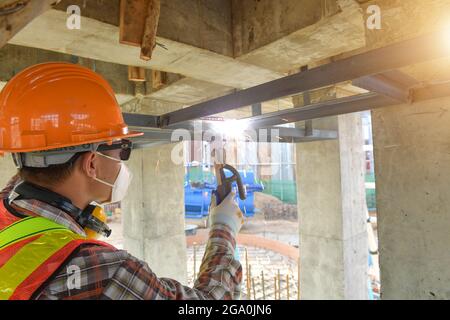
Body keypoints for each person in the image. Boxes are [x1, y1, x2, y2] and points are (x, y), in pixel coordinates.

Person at [0, 62, 243, 300]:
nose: (123, 161)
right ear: (92, 163)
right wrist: (224, 227)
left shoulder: (6, 211)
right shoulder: (107, 272)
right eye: (123, 150)